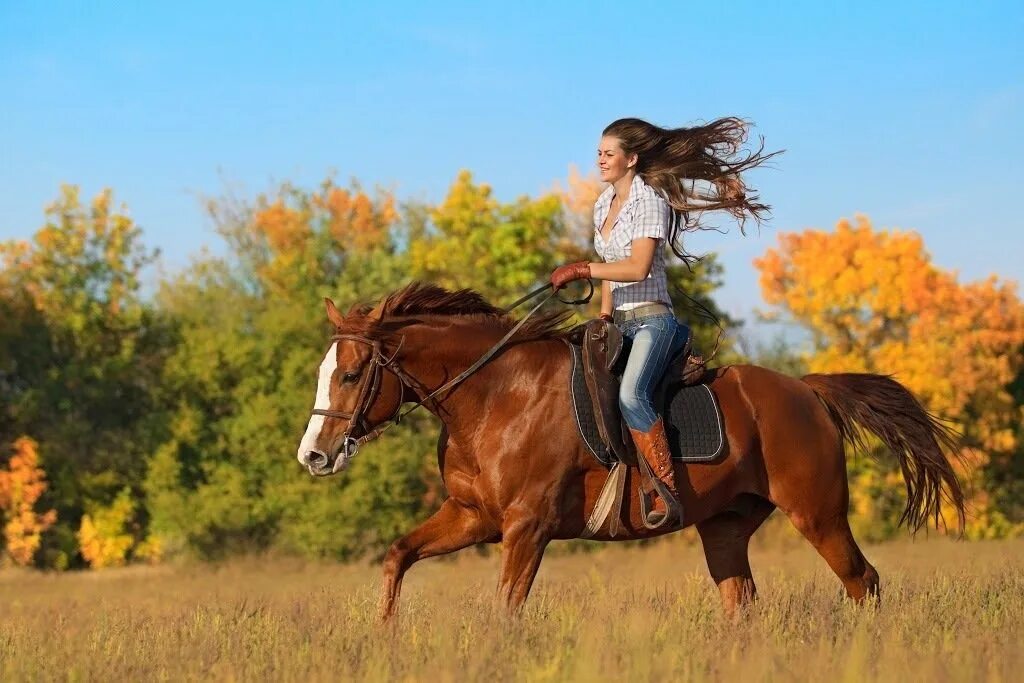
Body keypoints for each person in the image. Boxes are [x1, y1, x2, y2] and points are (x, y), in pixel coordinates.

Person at [549, 117, 777, 527]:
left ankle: (663, 491)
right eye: (598, 153)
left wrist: (583, 269)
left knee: (633, 396)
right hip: (619, 322)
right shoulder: (603, 205)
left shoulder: (649, 201)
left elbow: (635, 268)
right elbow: (609, 271)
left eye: (609, 154)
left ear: (631, 159)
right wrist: (602, 317)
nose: (600, 160)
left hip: (653, 322)